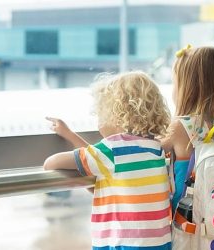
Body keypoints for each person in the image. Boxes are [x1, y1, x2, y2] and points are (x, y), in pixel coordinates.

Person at [44, 71, 172, 250]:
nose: (98, 122)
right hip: (159, 244)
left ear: (117, 115)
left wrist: (68, 139)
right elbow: (106, 166)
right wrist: (70, 135)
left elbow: (51, 163)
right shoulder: (155, 148)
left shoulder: (114, 149)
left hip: (123, 245)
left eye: (100, 114)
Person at [160, 45, 214, 212]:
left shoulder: (181, 126)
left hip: (187, 217)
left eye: (175, 82)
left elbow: (148, 149)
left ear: (188, 88)